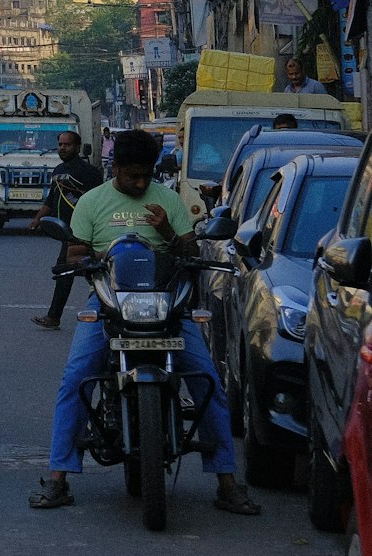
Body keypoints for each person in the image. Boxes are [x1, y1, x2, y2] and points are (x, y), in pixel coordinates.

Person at [28, 128, 260, 517]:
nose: (140, 183)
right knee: (76, 379)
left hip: (167, 307)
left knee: (208, 383)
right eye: (132, 175)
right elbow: (73, 253)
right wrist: (95, 257)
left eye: (146, 176)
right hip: (109, 307)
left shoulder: (168, 199)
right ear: (114, 167)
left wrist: (168, 230)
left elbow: (189, 250)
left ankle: (227, 482)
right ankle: (58, 478)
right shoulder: (91, 202)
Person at [27, 131, 101, 329]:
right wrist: (37, 219)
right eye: (60, 144)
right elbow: (51, 200)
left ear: (77, 147)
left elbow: (98, 200)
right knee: (68, 273)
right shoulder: (58, 170)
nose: (62, 148)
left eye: (67, 145)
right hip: (66, 231)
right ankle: (55, 317)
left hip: (84, 230)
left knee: (85, 272)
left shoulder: (89, 172)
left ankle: (97, 313)